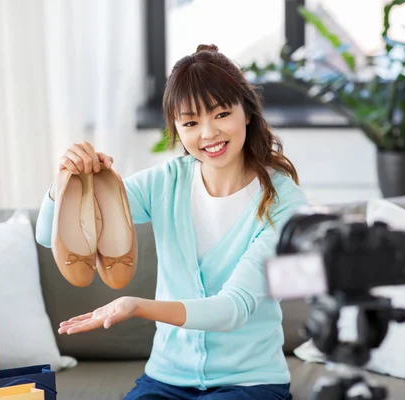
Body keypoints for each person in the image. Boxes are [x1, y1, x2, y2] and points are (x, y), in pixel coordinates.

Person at [35, 44, 308, 400]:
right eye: (191, 122)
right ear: (177, 129)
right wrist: (66, 181)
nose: (208, 134)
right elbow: (46, 236)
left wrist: (136, 306)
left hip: (250, 383)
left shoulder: (285, 203)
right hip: (165, 380)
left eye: (221, 114)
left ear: (247, 112)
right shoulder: (165, 183)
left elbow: (234, 309)